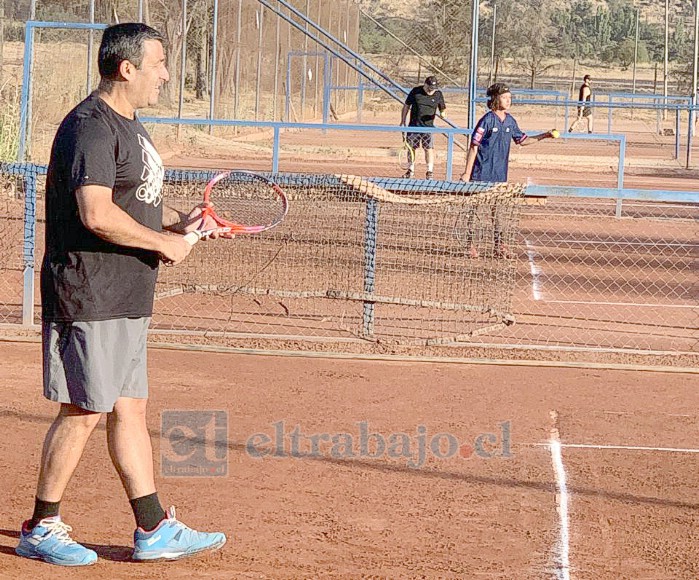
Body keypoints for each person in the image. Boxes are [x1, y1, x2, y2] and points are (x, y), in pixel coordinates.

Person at [15, 23, 229, 567]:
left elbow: (131, 202)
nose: (164, 75)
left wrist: (182, 223)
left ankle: (153, 527)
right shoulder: (91, 126)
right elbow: (94, 211)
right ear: (125, 68)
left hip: (128, 293)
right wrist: (162, 243)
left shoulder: (133, 127)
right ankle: (41, 526)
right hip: (89, 291)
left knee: (129, 408)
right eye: (157, 64)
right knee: (84, 408)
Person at [460, 83, 554, 258]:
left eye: (510, 98)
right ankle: (470, 245)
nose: (508, 101)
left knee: (498, 212)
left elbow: (522, 140)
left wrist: (544, 135)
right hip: (480, 174)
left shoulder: (510, 121)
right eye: (504, 97)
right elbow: (474, 146)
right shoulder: (487, 120)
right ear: (495, 99)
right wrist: (467, 173)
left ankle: (499, 246)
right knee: (475, 211)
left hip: (499, 175)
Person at [400, 75, 446, 179]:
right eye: (429, 88)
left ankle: (429, 171)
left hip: (428, 127)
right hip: (414, 126)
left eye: (433, 89)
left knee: (428, 148)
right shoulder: (416, 91)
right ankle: (410, 170)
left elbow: (442, 108)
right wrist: (403, 120)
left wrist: (443, 113)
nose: (431, 91)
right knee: (411, 148)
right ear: (425, 85)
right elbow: (406, 106)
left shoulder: (438, 94)